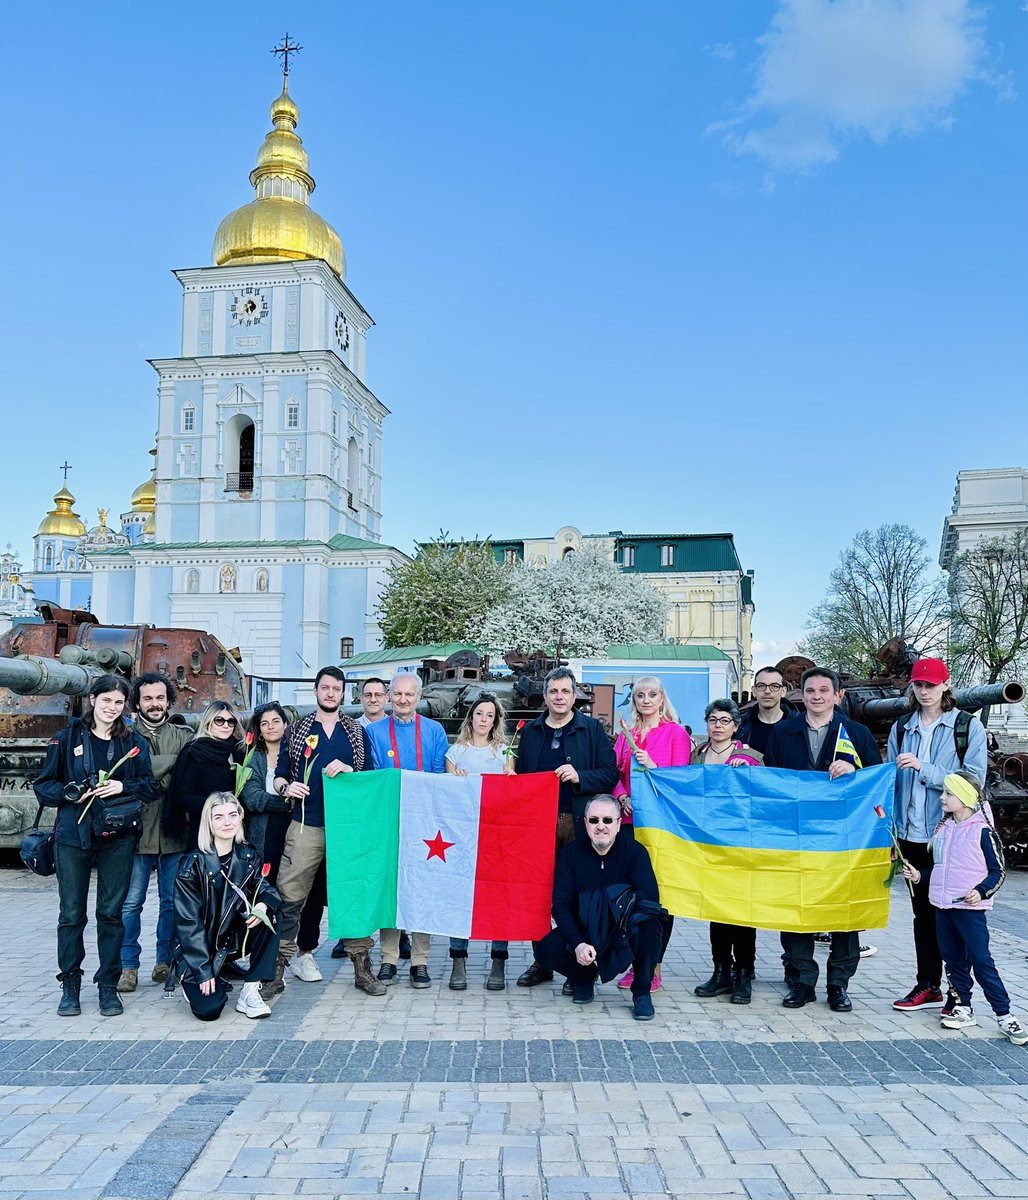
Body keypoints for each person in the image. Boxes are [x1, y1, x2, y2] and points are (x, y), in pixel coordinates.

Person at [34, 674, 158, 1018]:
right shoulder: (67, 738)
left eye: (118, 702)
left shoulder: (133, 742)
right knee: (71, 914)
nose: (112, 708)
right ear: (92, 700)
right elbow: (44, 787)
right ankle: (70, 984)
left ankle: (108, 985)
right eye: (106, 700)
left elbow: (150, 787)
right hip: (73, 836)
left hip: (118, 837)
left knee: (111, 914)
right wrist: (69, 793)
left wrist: (122, 786)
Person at [765, 667, 882, 1012]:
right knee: (797, 906)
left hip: (843, 839)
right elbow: (771, 782)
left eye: (824, 690)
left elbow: (877, 781)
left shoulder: (857, 734)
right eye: (810, 691)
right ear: (801, 695)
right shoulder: (783, 732)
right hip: (795, 836)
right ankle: (802, 981)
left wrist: (855, 772)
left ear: (837, 695)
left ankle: (838, 984)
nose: (817, 696)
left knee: (844, 910)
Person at [270, 667, 382, 997]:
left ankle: (362, 968)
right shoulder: (297, 730)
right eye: (325, 688)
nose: (331, 693)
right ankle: (275, 968)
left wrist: (349, 769)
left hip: (346, 827)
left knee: (352, 894)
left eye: (336, 688)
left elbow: (368, 776)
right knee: (290, 896)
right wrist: (287, 787)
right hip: (306, 822)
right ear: (316, 691)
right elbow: (280, 775)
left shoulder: (355, 732)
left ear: (343, 693)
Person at [887, 657, 988, 1013]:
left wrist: (924, 768)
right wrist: (892, 835)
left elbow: (973, 782)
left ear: (946, 685)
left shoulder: (967, 726)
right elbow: (890, 783)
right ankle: (927, 985)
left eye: (931, 685)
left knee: (955, 917)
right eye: (918, 684)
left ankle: (959, 992)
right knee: (924, 917)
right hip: (911, 837)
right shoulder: (901, 727)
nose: (924, 691)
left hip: (951, 837)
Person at [901, 772, 1027, 1045]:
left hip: (969, 910)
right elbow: (940, 869)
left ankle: (1004, 1015)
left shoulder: (983, 832)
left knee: (981, 961)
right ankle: (963, 1007)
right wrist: (920, 876)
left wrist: (980, 891)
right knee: (953, 961)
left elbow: (998, 872)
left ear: (966, 798)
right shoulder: (944, 829)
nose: (942, 798)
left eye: (949, 793)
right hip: (942, 907)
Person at [514, 666, 619, 988]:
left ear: (575, 696)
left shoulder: (592, 729)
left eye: (565, 691)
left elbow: (609, 774)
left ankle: (580, 965)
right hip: (538, 826)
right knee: (539, 896)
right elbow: (521, 780)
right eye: (553, 691)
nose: (559, 697)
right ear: (545, 696)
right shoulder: (531, 732)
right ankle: (543, 961)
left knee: (579, 896)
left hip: (577, 824)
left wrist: (580, 776)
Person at [534, 795, 667, 1021]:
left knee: (651, 925)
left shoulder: (635, 852)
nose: (601, 826)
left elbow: (649, 897)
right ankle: (584, 976)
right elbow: (561, 905)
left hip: (623, 926)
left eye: (607, 820)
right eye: (594, 820)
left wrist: (617, 916)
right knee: (546, 949)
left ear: (618, 823)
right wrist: (578, 944)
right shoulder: (570, 855)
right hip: (585, 927)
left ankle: (642, 993)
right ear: (586, 823)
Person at [366, 671, 449, 987]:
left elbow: (439, 774)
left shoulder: (434, 730)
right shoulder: (373, 732)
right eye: (398, 694)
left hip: (425, 823)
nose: (403, 700)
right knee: (391, 889)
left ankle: (420, 961)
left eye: (409, 694)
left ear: (418, 697)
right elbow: (374, 774)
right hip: (389, 822)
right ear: (389, 697)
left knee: (421, 890)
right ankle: (388, 959)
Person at [172, 792, 282, 1021]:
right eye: (219, 817)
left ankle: (251, 989)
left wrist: (262, 905)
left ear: (241, 817)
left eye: (232, 815)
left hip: (230, 941)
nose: (227, 822)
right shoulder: (192, 864)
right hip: (199, 948)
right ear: (209, 822)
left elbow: (266, 889)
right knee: (209, 1010)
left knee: (271, 913)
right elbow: (188, 924)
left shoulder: (248, 855)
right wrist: (202, 971)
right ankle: (202, 976)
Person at [611, 676, 690, 994]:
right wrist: (620, 795)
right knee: (630, 897)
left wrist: (654, 766)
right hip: (629, 825)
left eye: (652, 694)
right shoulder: (625, 735)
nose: (646, 700)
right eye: (640, 695)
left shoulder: (675, 734)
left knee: (657, 898)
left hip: (660, 827)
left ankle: (652, 967)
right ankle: (634, 962)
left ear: (661, 699)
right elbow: (613, 773)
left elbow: (681, 781)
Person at [117, 673, 194, 995]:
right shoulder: (123, 736)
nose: (154, 704)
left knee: (171, 902)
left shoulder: (184, 736)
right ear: (137, 702)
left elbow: (185, 778)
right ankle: (128, 966)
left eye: (160, 697)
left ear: (169, 700)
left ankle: (164, 960)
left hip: (173, 830)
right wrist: (169, 766)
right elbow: (127, 778)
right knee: (130, 904)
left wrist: (147, 772)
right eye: (147, 698)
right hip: (135, 832)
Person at [691, 698, 763, 1005]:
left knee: (742, 910)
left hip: (741, 846)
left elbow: (762, 792)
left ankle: (744, 974)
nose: (718, 726)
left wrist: (747, 770)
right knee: (717, 910)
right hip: (708, 845)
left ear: (735, 726)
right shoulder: (697, 755)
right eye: (713, 720)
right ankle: (721, 971)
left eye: (724, 721)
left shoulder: (749, 756)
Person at [444, 692, 514, 991]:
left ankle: (498, 962)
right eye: (479, 713)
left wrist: (510, 778)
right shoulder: (455, 752)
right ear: (471, 717)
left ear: (495, 720)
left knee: (498, 898)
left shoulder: (504, 752)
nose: (484, 719)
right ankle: (458, 961)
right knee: (460, 897)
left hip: (496, 835)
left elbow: (511, 794)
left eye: (490, 715)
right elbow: (447, 795)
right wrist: (455, 777)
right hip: (462, 835)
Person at [167, 701, 249, 847]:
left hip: (235, 828)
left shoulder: (238, 750)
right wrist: (215, 806)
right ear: (208, 722)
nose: (226, 725)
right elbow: (182, 796)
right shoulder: (194, 751)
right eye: (219, 720)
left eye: (231, 721)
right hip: (205, 829)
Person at [737, 665, 799, 757]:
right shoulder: (740, 724)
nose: (767, 691)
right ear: (754, 691)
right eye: (761, 686)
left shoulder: (798, 724)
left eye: (774, 686)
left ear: (783, 691)